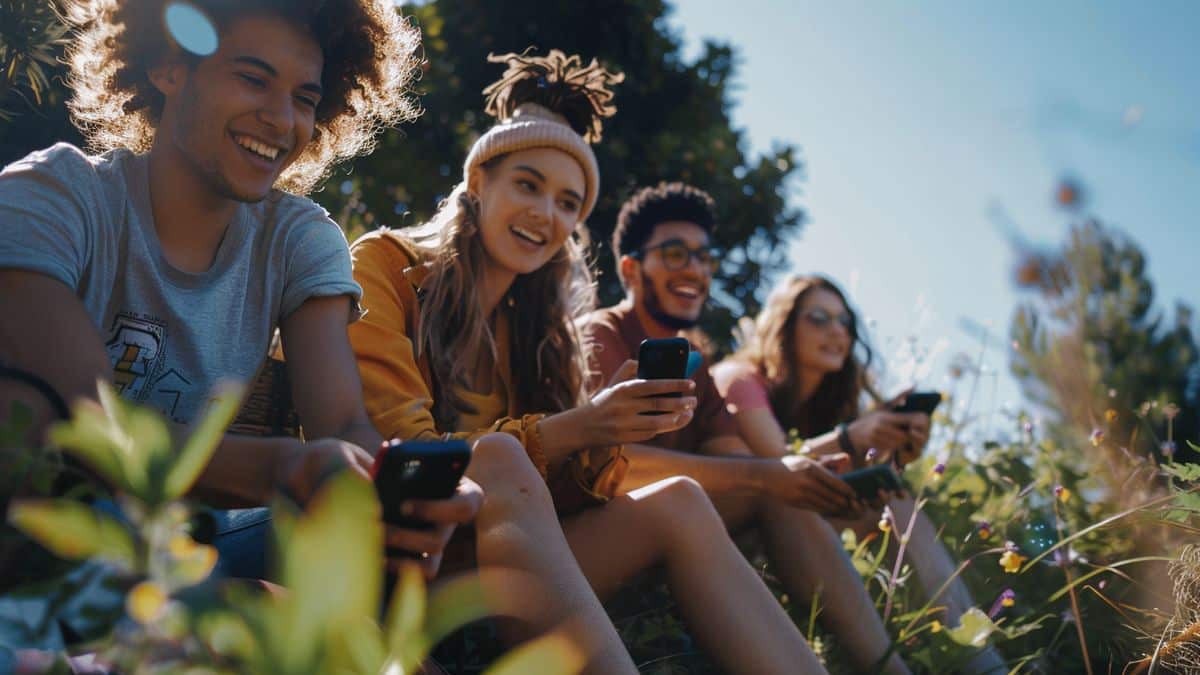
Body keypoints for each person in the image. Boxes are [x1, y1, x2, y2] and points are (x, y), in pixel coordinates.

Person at [350, 50, 830, 674]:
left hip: (496, 566)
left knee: (679, 498)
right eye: (527, 184)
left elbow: (549, 499)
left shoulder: (541, 334)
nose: (545, 215)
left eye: (568, 203)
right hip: (398, 559)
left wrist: (608, 436)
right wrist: (581, 427)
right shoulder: (385, 267)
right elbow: (408, 454)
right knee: (496, 456)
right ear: (478, 182)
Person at [0, 0, 479, 581]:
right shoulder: (51, 197)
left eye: (305, 98)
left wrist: (389, 489)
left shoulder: (299, 240)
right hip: (42, 534)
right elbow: (92, 429)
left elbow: (344, 422)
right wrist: (282, 468)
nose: (283, 120)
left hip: (187, 543)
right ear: (168, 66)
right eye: (254, 78)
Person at [580, 181, 911, 675]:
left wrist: (803, 472)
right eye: (673, 253)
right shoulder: (601, 335)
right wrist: (764, 475)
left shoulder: (695, 365)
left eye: (703, 257)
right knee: (765, 483)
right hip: (589, 544)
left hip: (671, 534)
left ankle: (892, 666)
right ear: (631, 268)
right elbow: (612, 469)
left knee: (780, 488)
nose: (694, 268)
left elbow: (739, 463)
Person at [713, 274, 1008, 674]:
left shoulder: (827, 404)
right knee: (799, 496)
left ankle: (980, 660)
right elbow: (780, 468)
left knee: (897, 500)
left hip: (793, 533)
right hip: (732, 535)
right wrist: (850, 438)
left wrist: (892, 450)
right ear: (782, 324)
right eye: (818, 318)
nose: (836, 331)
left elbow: (841, 486)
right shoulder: (740, 379)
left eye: (845, 322)